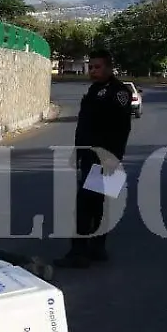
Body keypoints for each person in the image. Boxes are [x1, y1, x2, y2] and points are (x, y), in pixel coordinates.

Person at [55, 49, 132, 268]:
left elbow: (121, 129)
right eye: (91, 67)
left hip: (105, 158)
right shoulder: (94, 90)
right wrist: (78, 153)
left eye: (97, 67)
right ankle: (96, 248)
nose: (93, 71)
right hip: (89, 156)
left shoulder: (119, 92)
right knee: (96, 204)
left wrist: (113, 158)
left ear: (109, 68)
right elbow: (85, 127)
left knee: (86, 205)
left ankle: (80, 252)